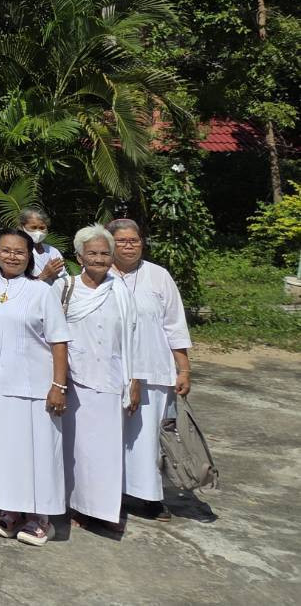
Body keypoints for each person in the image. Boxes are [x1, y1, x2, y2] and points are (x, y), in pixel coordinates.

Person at [0, 229, 72, 546]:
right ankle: (10, 511)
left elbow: (58, 341)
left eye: (19, 252)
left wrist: (58, 385)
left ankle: (41, 518)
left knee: (38, 453)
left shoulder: (41, 292)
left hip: (34, 388)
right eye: (6, 250)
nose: (12, 256)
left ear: (30, 257)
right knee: (3, 453)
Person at [109, 218, 191, 521]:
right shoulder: (99, 275)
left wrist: (183, 369)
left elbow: (175, 325)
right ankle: (109, 494)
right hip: (113, 373)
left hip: (154, 369)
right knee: (112, 435)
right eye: (121, 241)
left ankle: (150, 497)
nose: (129, 246)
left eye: (134, 240)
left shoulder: (159, 276)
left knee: (148, 439)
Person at [61, 224, 141, 533]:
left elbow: (133, 338)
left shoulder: (120, 290)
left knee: (106, 451)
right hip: (73, 380)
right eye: (92, 253)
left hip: (110, 379)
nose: (98, 258)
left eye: (105, 253)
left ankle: (103, 511)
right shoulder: (65, 288)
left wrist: (133, 380)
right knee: (75, 448)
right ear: (79, 256)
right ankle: (75, 506)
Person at [21, 207, 66, 283]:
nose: (38, 232)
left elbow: (64, 277)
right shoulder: (17, 252)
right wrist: (44, 276)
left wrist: (55, 275)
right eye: (33, 227)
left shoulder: (53, 251)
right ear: (22, 227)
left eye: (42, 228)